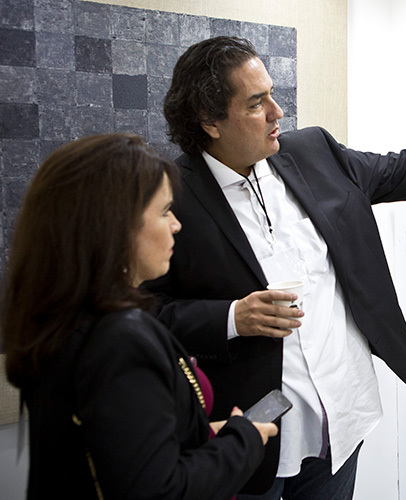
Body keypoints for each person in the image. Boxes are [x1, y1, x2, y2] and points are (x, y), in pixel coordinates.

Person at [147, 36, 406, 499]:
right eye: (256, 103)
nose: (277, 112)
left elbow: (400, 171)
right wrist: (230, 319)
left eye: (272, 93)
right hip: (247, 431)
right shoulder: (171, 197)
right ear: (210, 123)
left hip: (339, 416)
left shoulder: (311, 151)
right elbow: (146, 312)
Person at [1, 133, 278, 499]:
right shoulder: (120, 340)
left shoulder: (62, 317)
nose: (177, 224)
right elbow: (160, 491)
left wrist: (202, 433)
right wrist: (243, 440)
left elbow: (121, 451)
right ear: (114, 227)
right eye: (164, 211)